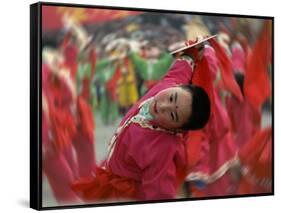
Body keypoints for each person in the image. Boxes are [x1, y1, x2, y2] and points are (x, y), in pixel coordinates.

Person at [72, 38, 211, 202]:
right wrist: (191, 55)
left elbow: (160, 192)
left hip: (124, 191)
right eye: (172, 98)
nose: (164, 106)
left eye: (173, 116)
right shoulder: (169, 84)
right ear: (176, 87)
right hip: (113, 166)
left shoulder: (162, 149)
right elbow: (180, 70)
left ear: (178, 129)